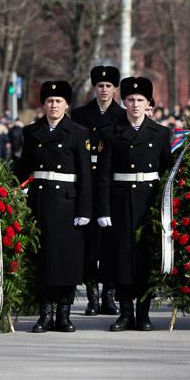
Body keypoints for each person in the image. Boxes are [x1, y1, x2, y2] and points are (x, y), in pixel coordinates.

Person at [95, 77, 173, 332]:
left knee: (145, 258)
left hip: (148, 202)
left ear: (149, 103)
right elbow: (104, 175)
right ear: (124, 101)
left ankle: (144, 312)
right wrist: (103, 210)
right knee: (122, 258)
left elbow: (167, 172)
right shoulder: (111, 133)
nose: (135, 105)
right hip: (120, 201)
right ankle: (125, 312)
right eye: (130, 100)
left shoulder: (160, 133)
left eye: (140, 100)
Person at [14, 81, 93, 332]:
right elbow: (23, 167)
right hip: (40, 201)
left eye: (58, 101)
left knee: (67, 261)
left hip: (68, 204)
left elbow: (85, 175)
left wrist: (84, 210)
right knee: (43, 258)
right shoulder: (32, 132)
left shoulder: (79, 132)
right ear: (43, 104)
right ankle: (45, 312)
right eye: (49, 101)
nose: (54, 105)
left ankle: (64, 312)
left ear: (67, 104)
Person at [70, 65, 126, 317]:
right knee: (90, 243)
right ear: (94, 88)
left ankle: (109, 294)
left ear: (115, 88)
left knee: (111, 242)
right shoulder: (81, 114)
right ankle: (92, 295)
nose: (104, 90)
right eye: (100, 86)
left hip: (112, 182)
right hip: (87, 179)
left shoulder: (121, 115)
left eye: (108, 86)